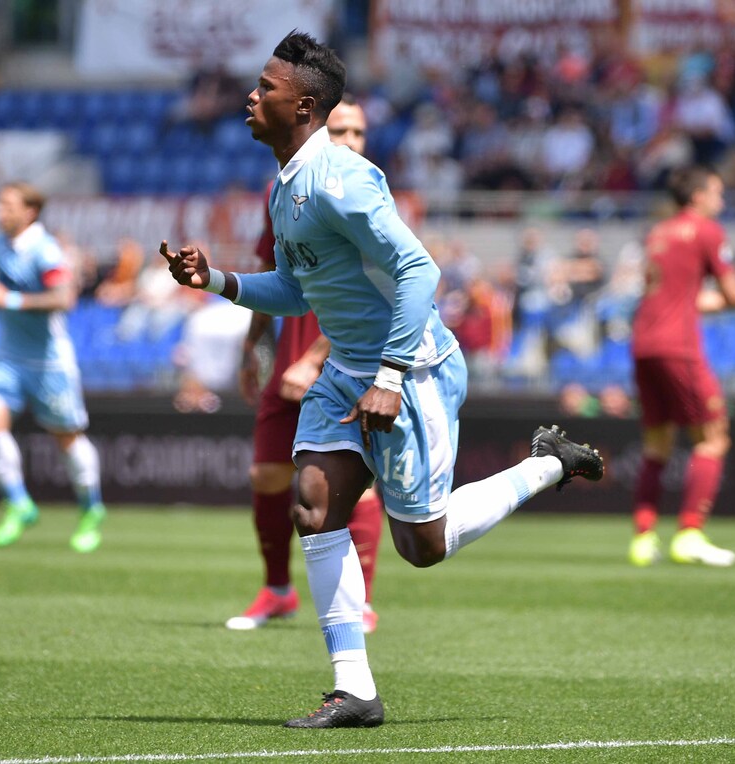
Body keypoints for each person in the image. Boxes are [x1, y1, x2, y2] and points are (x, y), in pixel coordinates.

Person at [159, 31, 603, 729]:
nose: (251, 96)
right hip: (347, 371)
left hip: (412, 370)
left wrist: (391, 376)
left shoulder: (341, 179)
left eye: (266, 88)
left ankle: (547, 464)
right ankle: (354, 691)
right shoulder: (287, 184)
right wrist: (214, 279)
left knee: (421, 547)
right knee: (313, 504)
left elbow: (420, 270)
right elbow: (300, 292)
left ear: (303, 106)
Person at [229, 94, 386, 634]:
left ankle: (361, 602)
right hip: (288, 360)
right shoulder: (284, 187)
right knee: (267, 474)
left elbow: (373, 290)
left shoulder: (365, 193)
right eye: (340, 131)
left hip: (348, 362)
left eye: (358, 132)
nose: (350, 141)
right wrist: (254, 345)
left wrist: (315, 358)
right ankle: (277, 590)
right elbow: (273, 272)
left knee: (355, 482)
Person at [0, 171, 106, 552]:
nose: (0, 211)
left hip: (49, 362)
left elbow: (64, 299)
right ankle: (18, 504)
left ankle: (91, 510)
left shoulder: (45, 250)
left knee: (66, 438)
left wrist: (9, 299)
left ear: (30, 212)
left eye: (8, 206)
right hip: (8, 358)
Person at [628, 165, 735, 568]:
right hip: (678, 347)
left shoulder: (659, 233)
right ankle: (690, 534)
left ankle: (643, 539)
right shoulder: (707, 231)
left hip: (643, 343)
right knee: (713, 437)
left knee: (657, 444)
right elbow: (732, 295)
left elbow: (680, 299)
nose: (722, 199)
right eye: (717, 192)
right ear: (698, 196)